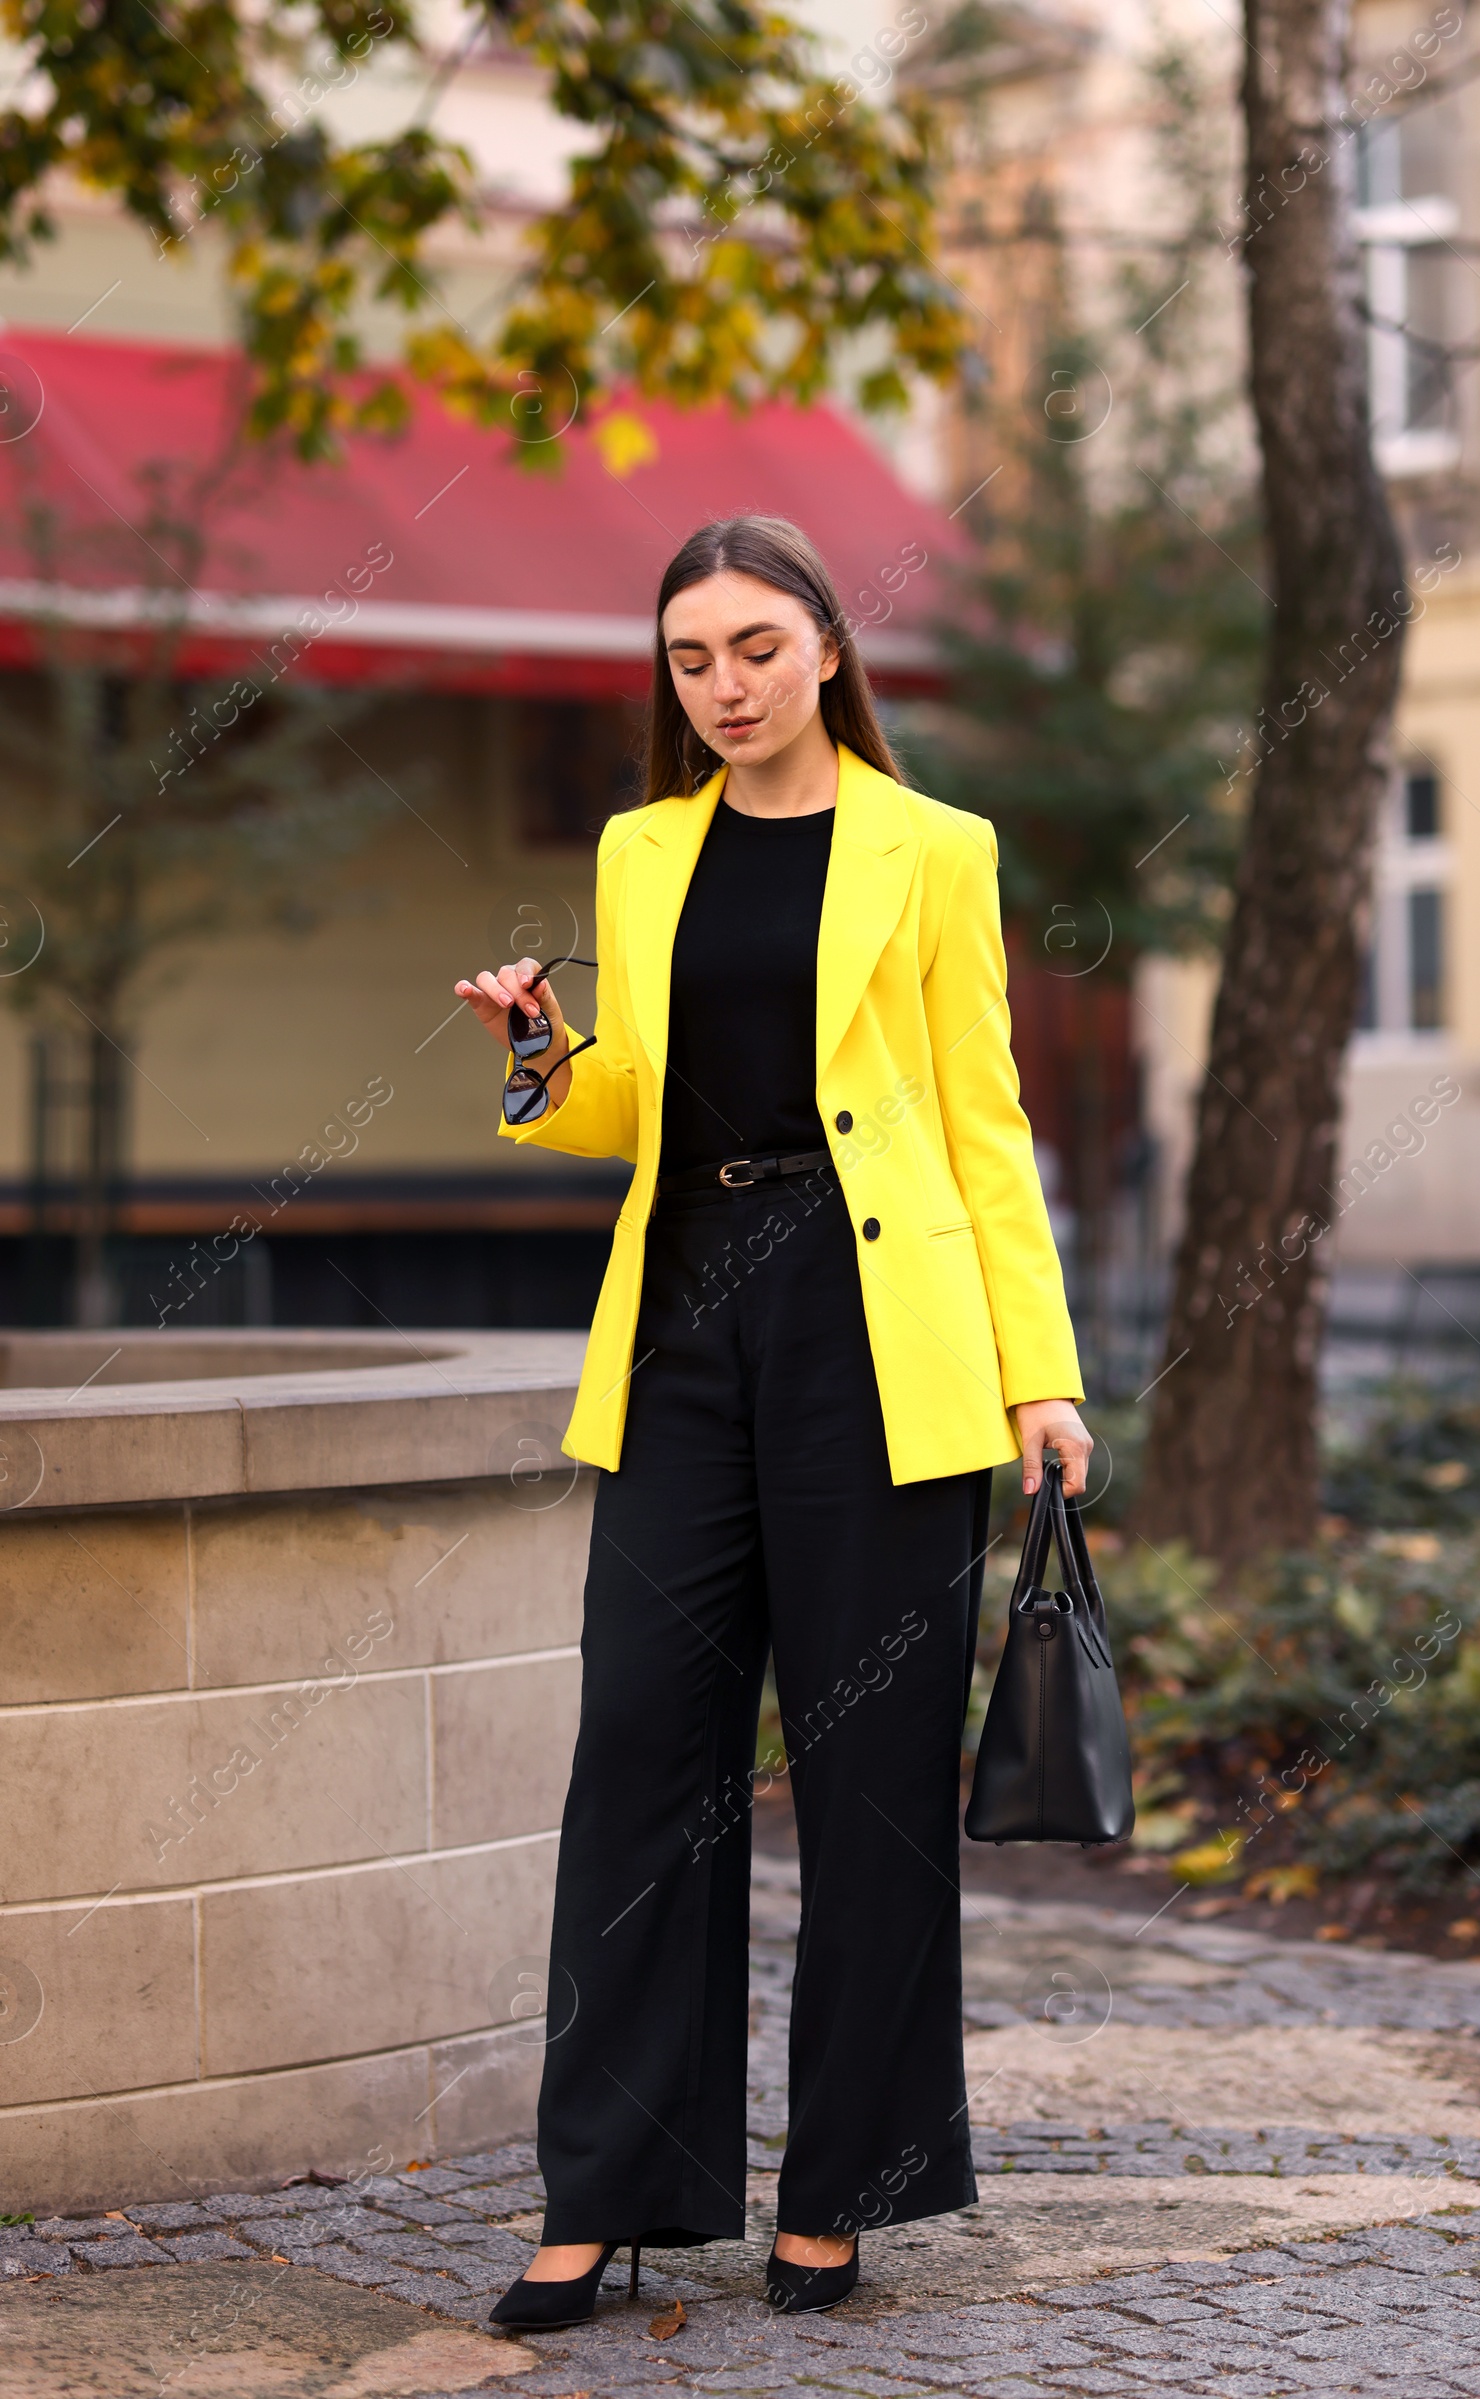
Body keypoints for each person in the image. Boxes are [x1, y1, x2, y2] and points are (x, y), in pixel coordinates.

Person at [455, 514, 1090, 2329]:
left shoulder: (932, 849)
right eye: (688, 659)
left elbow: (984, 1121)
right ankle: (606, 2193)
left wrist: (1036, 1373)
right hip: (685, 1320)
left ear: (825, 644)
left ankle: (842, 2193)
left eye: (753, 648)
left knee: (873, 1777)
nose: (722, 688)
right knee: (641, 1755)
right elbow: (629, 1103)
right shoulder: (642, 850)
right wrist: (536, 1057)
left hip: (878, 1332)